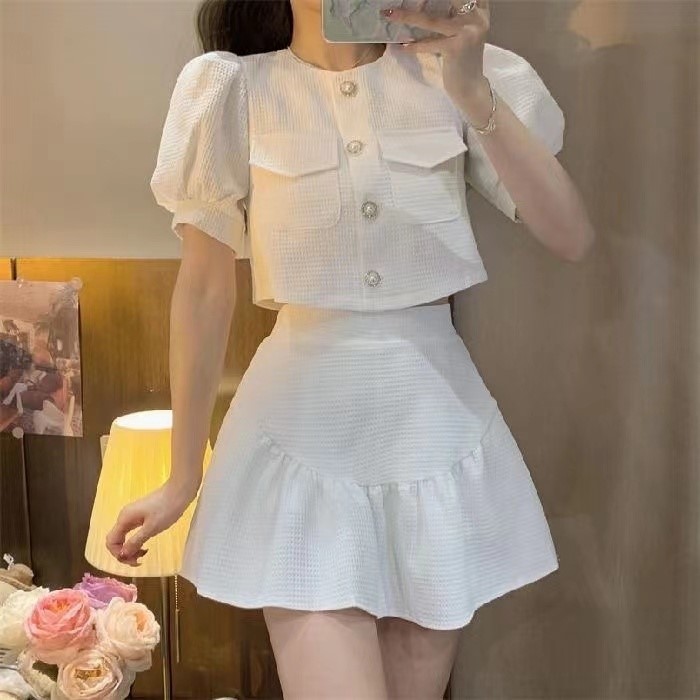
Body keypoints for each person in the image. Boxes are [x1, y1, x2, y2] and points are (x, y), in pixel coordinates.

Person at [106, 0, 596, 697]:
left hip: (435, 430)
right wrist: (182, 476)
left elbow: (571, 236)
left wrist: (471, 90)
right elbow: (205, 292)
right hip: (299, 433)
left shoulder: (459, 74)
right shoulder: (233, 89)